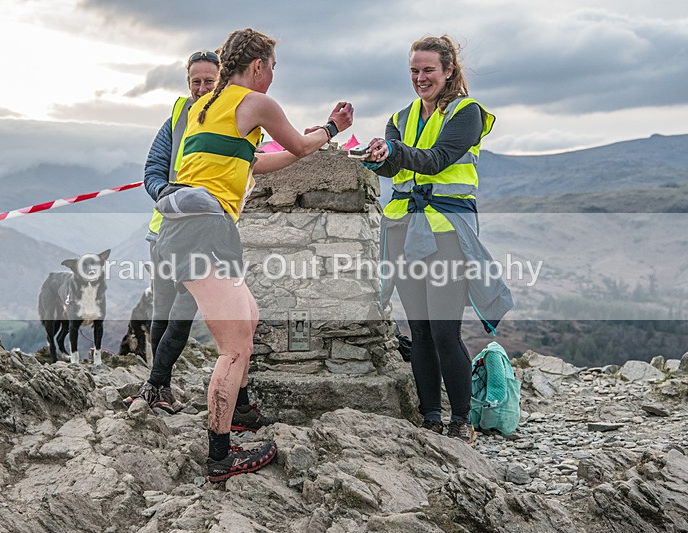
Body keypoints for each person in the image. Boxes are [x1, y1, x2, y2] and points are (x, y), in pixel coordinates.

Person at [153, 27, 353, 482]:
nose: (273, 79)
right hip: (205, 231)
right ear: (259, 66)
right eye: (273, 69)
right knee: (233, 348)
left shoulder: (206, 106)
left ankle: (240, 411)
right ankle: (221, 455)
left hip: (183, 229)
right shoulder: (256, 102)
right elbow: (300, 146)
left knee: (249, 315)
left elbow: (253, 162)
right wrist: (333, 128)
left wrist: (300, 149)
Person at [363, 35, 513, 445]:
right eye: (414, 70)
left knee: (446, 331)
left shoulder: (468, 113)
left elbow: (437, 160)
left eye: (428, 70)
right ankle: (431, 417)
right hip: (404, 229)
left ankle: (461, 421)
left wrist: (395, 149)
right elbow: (395, 171)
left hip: (447, 232)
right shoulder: (401, 116)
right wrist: (380, 154)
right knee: (421, 331)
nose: (420, 78)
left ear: (448, 71)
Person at [123, 50, 220, 414]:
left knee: (184, 310)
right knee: (161, 312)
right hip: (162, 233)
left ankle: (156, 382)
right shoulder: (177, 118)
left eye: (209, 81)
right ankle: (159, 387)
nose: (201, 88)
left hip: (203, 237)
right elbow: (152, 170)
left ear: (221, 81)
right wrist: (167, 195)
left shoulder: (230, 118)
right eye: (195, 81)